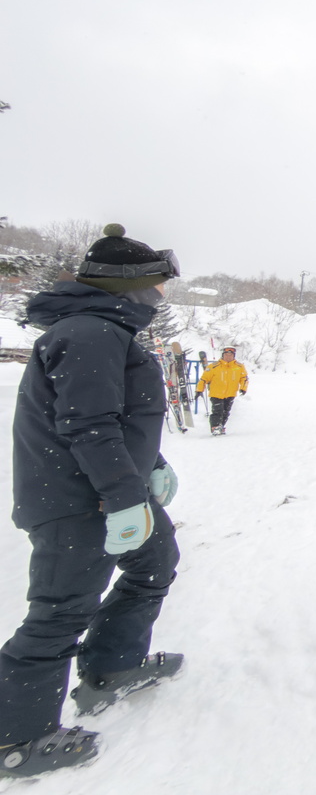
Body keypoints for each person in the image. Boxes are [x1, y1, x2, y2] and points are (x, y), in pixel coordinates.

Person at [1, 224, 184, 779]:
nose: (161, 298)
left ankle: (112, 667)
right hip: (78, 502)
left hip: (107, 493)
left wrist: (151, 464)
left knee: (155, 563)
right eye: (158, 287)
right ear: (131, 287)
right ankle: (18, 740)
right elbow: (89, 426)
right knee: (60, 613)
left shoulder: (105, 331)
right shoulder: (89, 333)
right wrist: (125, 497)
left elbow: (118, 420)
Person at [195, 347, 248, 435]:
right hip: (216, 393)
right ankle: (215, 427)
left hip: (230, 393)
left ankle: (221, 426)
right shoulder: (213, 366)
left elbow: (244, 378)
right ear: (223, 355)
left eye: (230, 355)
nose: (228, 357)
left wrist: (243, 388)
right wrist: (199, 390)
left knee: (225, 412)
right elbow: (204, 379)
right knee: (217, 411)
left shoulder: (239, 367)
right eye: (226, 355)